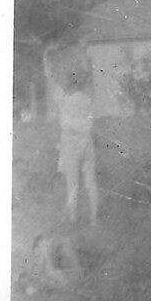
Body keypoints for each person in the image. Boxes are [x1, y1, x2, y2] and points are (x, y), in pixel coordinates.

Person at [44, 45, 99, 227]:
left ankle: (73, 220)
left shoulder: (63, 99)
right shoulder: (86, 98)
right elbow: (91, 82)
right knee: (90, 182)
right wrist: (86, 60)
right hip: (86, 142)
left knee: (72, 185)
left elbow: (51, 79)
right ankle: (94, 219)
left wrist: (46, 59)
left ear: (67, 83)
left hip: (70, 143)